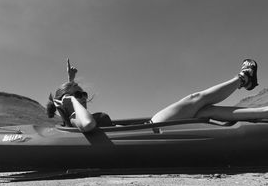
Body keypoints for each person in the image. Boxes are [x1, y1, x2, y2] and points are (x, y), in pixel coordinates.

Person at [47, 58, 267, 133]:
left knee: (203, 109)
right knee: (195, 99)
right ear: (67, 102)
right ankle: (244, 79)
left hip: (149, 126)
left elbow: (72, 98)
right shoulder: (76, 118)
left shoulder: (74, 109)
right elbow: (87, 124)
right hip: (153, 129)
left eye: (83, 93)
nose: (84, 97)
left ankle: (262, 112)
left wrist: (71, 80)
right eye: (78, 95)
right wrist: (71, 98)